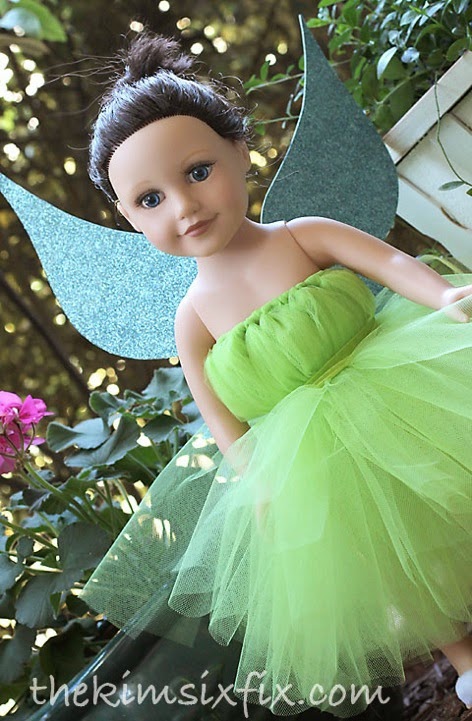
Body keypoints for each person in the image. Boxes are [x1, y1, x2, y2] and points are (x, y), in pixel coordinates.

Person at [81, 29, 472, 717]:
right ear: (127, 217)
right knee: (394, 562)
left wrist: (442, 296)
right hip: (314, 462)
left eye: (197, 171)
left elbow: (389, 263)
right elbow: (220, 415)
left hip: (400, 391)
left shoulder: (301, 234)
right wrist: (259, 478)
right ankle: (465, 658)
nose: (184, 207)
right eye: (150, 200)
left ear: (239, 150)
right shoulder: (193, 318)